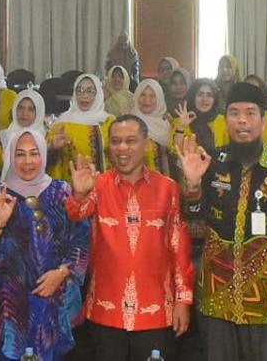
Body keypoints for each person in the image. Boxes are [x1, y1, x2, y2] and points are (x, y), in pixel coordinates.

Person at [178, 81, 267, 361]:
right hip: (216, 303)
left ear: (264, 122)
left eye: (251, 113)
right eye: (234, 112)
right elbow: (194, 223)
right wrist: (192, 185)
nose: (242, 120)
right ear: (225, 119)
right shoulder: (210, 163)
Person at [68, 115, 194, 360]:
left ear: (146, 144)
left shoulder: (167, 188)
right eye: (115, 141)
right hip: (106, 311)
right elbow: (76, 214)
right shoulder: (98, 185)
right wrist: (78, 194)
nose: (122, 148)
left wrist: (183, 300)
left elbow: (179, 248)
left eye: (130, 141)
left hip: (157, 311)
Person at [0, 130, 90, 361]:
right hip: (11, 306)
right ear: (10, 157)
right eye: (20, 154)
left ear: (43, 155)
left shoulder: (62, 192)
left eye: (34, 153)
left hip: (56, 301)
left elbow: (81, 237)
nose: (28, 162)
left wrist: (63, 272)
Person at [47, 73, 116, 183]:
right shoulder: (61, 125)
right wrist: (53, 148)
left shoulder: (109, 122)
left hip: (105, 189)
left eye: (90, 91)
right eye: (79, 90)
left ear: (98, 94)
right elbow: (47, 163)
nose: (84, 96)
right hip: (71, 191)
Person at [0, 89, 46, 181]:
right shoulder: (5, 137)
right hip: (9, 191)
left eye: (31, 109)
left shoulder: (47, 137)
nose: (24, 113)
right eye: (21, 108)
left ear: (39, 113)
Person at [131, 79, 178, 178]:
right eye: (143, 95)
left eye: (152, 96)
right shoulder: (129, 122)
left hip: (164, 182)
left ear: (159, 98)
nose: (147, 100)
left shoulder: (167, 122)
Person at [171, 78, 221, 156]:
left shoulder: (222, 121)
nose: (205, 99)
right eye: (200, 94)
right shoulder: (180, 121)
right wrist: (181, 127)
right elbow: (177, 151)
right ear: (193, 97)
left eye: (209, 95)